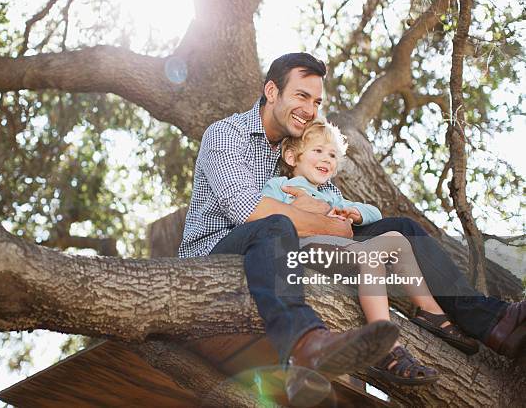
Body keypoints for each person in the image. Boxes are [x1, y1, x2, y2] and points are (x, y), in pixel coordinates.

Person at [178, 52, 524, 404]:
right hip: (216, 255)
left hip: (284, 245)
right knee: (275, 224)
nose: (310, 109)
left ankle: (490, 321)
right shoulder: (226, 135)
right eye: (301, 96)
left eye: (316, 101)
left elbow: (322, 213)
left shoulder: (294, 148)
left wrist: (341, 221)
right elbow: (247, 210)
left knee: (401, 228)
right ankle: (304, 343)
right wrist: (329, 224)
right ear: (271, 91)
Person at [262, 119, 480, 385]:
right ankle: (386, 347)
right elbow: (266, 217)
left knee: (397, 240)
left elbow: (375, 213)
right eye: (317, 151)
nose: (326, 159)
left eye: (332, 155)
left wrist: (353, 213)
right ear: (292, 156)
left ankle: (429, 310)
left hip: (342, 250)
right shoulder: (280, 185)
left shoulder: (331, 193)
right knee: (371, 253)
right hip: (306, 250)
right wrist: (303, 212)